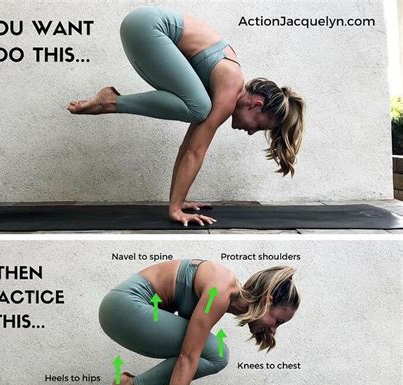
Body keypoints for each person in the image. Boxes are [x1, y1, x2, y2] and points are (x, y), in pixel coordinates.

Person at [68, 6, 305, 227]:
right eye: (259, 126)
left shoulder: (218, 88)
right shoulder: (230, 87)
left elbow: (187, 147)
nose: (251, 132)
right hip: (147, 27)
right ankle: (111, 101)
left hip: (142, 27)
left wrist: (178, 202)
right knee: (199, 108)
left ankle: (112, 101)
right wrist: (175, 210)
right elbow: (196, 152)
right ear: (256, 104)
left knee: (197, 107)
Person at [86, 260, 300, 385]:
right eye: (278, 321)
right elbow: (188, 356)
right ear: (267, 300)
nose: (273, 329)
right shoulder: (221, 290)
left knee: (208, 353)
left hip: (121, 311)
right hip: (125, 307)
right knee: (217, 355)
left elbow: (188, 353)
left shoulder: (224, 292)